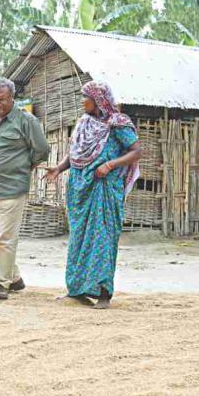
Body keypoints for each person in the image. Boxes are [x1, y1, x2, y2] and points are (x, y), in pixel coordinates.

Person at [45, 81, 142, 309]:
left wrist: (110, 164)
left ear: (98, 100)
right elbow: (75, 154)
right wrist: (59, 168)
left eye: (85, 97)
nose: (82, 101)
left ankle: (103, 293)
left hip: (104, 189)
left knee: (103, 238)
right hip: (80, 189)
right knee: (78, 239)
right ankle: (77, 290)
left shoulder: (117, 123)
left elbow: (137, 151)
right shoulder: (83, 123)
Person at [0, 77, 49, 300]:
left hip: (12, 188)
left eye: (1, 100)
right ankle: (15, 278)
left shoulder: (26, 121)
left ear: (12, 98)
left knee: (5, 238)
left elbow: (42, 150)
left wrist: (22, 167)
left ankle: (1, 284)